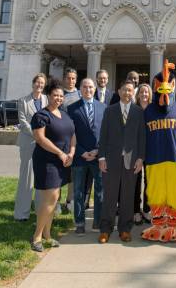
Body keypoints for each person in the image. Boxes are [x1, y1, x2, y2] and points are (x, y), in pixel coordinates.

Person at [141, 60, 176, 243]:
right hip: (154, 159)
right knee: (155, 193)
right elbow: (142, 136)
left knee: (174, 195)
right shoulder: (149, 111)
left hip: (174, 159)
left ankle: (173, 226)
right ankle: (158, 225)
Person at [30, 79, 76, 252]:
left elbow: (72, 135)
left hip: (63, 160)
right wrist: (60, 153)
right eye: (55, 95)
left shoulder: (65, 115)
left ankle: (47, 235)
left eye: (61, 96)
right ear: (48, 96)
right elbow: (40, 138)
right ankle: (36, 237)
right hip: (47, 161)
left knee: (54, 199)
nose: (58, 98)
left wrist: (71, 153)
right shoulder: (41, 115)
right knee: (52, 197)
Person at [98, 81, 145, 243]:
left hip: (131, 161)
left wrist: (140, 158)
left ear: (133, 93)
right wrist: (101, 158)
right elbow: (103, 135)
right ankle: (106, 229)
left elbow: (141, 137)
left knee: (127, 197)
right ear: (119, 91)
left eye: (130, 90)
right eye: (124, 90)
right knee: (110, 196)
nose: (127, 93)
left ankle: (125, 229)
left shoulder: (138, 112)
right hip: (111, 160)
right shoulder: (109, 111)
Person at [67, 78, 106, 235]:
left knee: (99, 191)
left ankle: (97, 222)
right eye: (85, 87)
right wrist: (81, 151)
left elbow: (106, 132)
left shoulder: (103, 107)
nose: (88, 89)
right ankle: (80, 223)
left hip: (98, 156)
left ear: (95, 89)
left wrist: (97, 150)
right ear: (80, 89)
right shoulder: (71, 109)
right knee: (78, 191)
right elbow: (71, 133)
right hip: (79, 156)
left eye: (90, 87)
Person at [14, 73, 48, 221]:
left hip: (44, 145)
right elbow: (23, 122)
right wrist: (37, 135)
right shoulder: (23, 101)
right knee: (26, 179)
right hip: (29, 143)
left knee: (42, 177)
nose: (39, 85)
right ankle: (22, 213)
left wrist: (44, 138)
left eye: (42, 83)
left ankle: (40, 211)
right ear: (33, 84)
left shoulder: (47, 99)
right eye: (37, 82)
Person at [61, 67, 80, 212]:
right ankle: (55, 201)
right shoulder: (58, 94)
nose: (71, 81)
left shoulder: (80, 94)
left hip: (74, 138)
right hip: (60, 138)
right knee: (58, 171)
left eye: (73, 78)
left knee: (73, 171)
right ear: (64, 79)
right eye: (68, 78)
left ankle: (70, 200)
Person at [134, 83, 153, 225]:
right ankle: (136, 210)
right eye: (142, 92)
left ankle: (147, 209)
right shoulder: (133, 109)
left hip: (151, 150)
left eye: (146, 92)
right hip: (135, 150)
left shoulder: (153, 110)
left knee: (149, 181)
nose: (144, 94)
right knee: (136, 181)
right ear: (138, 94)